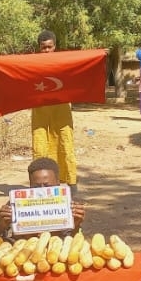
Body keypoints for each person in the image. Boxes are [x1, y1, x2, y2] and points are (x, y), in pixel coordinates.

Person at [0, 157, 85, 241]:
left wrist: (76, 225)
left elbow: (76, 242)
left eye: (47, 186)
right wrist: (1, 225)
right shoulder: (18, 203)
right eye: (36, 187)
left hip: (55, 254)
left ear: (58, 183)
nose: (42, 191)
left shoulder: (68, 206)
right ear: (30, 185)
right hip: (21, 253)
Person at [30, 30, 79, 197]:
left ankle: (71, 183)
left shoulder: (63, 61)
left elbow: (80, 64)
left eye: (49, 47)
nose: (46, 50)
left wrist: (99, 55)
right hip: (40, 109)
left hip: (61, 108)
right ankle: (39, 184)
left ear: (55, 46)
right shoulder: (31, 64)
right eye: (43, 47)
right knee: (40, 146)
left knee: (66, 143)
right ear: (39, 47)